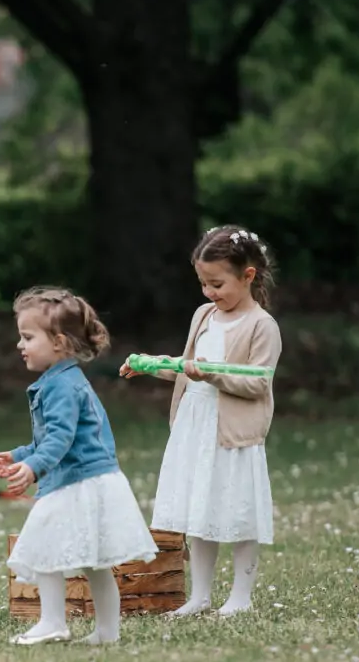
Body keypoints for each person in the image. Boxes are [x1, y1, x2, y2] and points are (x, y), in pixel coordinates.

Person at [120, 225, 282, 618]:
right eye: (203, 283)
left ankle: (240, 597)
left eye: (217, 283)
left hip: (232, 433)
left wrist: (209, 373)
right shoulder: (203, 316)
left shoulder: (261, 326)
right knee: (200, 509)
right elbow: (186, 368)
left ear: (248, 276)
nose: (209, 292)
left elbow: (256, 384)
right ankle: (200, 595)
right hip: (196, 424)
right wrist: (153, 367)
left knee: (237, 510)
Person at [0, 286, 157, 646]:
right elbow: (52, 437)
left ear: (60, 343)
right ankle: (107, 633)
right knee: (94, 563)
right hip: (89, 480)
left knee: (46, 548)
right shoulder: (60, 380)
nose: (20, 345)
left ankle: (53, 622)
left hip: (77, 483)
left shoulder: (61, 386)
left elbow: (60, 439)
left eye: (28, 337)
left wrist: (34, 467)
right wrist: (21, 455)